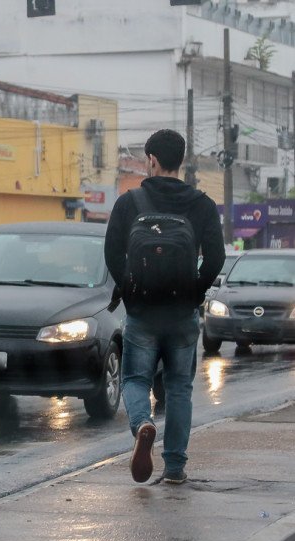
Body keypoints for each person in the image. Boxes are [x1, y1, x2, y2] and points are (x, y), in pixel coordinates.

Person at [104, 129, 224, 485]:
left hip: (142, 312)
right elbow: (215, 258)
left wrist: (130, 289)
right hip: (182, 314)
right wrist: (194, 290)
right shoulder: (201, 204)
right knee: (179, 388)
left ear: (151, 160)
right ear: (181, 161)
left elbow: (111, 253)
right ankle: (174, 468)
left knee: (135, 379)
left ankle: (143, 422)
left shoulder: (130, 202)